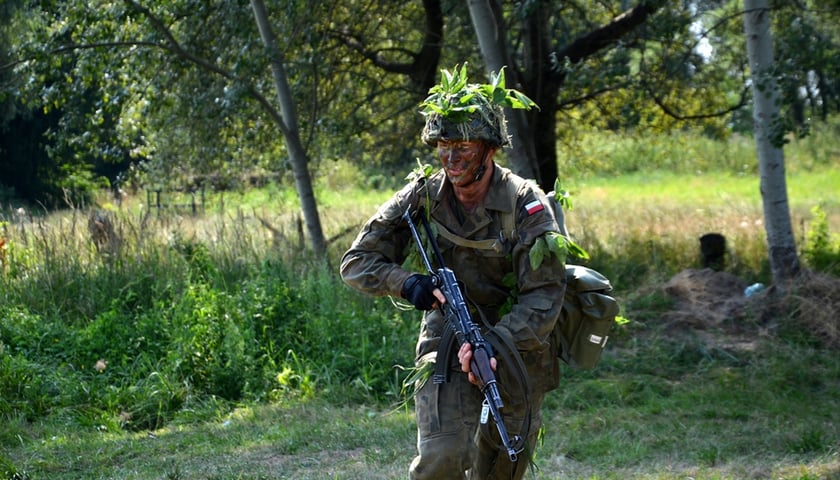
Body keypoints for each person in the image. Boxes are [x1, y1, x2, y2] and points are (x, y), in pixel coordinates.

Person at [340, 66, 566, 480]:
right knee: (442, 458)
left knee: (504, 465)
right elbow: (356, 263)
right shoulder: (423, 194)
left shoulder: (525, 205)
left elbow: (545, 295)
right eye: (444, 143)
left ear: (489, 149)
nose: (452, 156)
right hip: (447, 340)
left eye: (464, 144)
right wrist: (408, 284)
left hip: (517, 345)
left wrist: (493, 346)